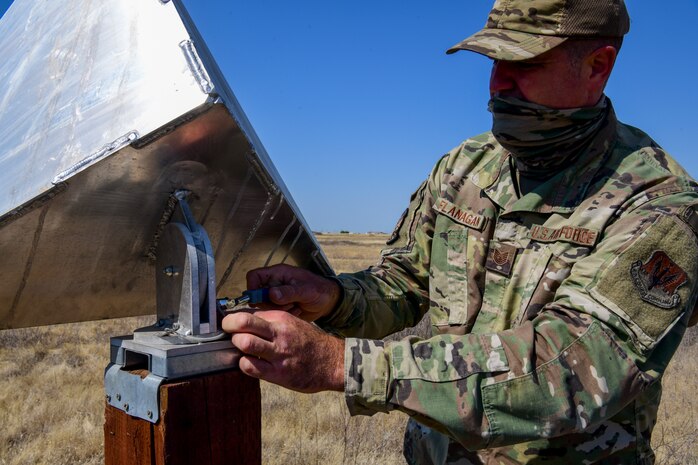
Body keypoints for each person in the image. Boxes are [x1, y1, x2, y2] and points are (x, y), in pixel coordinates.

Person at [222, 1, 698, 463]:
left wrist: (344, 364)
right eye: (494, 60)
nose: (498, 82)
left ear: (599, 65)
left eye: (523, 61)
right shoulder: (464, 169)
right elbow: (403, 283)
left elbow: (570, 371)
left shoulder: (659, 205)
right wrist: (333, 298)